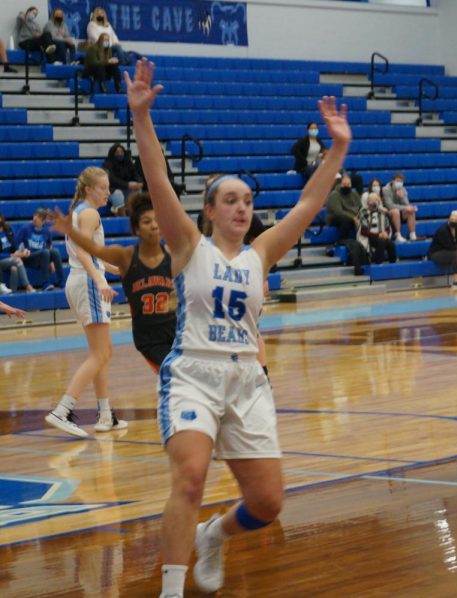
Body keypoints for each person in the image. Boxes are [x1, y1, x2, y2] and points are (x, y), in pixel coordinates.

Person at [126, 59, 351, 598]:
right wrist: (141, 119)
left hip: (249, 379)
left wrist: (338, 148)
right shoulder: (187, 244)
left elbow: (308, 203)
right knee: (191, 476)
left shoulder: (260, 254)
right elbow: (158, 179)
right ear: (207, 210)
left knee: (267, 504)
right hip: (194, 373)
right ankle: (173, 590)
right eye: (230, 200)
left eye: (248, 201)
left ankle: (213, 534)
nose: (242, 208)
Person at [44, 167, 127, 439]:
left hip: (79, 281)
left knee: (103, 351)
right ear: (90, 189)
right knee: (100, 354)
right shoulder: (89, 213)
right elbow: (82, 251)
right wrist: (100, 280)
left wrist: (109, 269)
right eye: (103, 188)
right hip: (87, 282)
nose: (107, 193)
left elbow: (87, 250)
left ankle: (105, 415)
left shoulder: (79, 211)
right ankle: (62, 410)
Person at [51, 193, 175, 373]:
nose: (154, 225)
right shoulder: (125, 256)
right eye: (147, 222)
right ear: (137, 229)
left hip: (175, 332)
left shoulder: (172, 254)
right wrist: (71, 231)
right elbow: (94, 249)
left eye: (156, 220)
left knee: (185, 381)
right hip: (149, 338)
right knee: (175, 375)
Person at [14, 208, 65, 290]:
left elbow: (49, 246)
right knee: (45, 252)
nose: (35, 218)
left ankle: (61, 282)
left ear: (43, 221)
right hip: (29, 258)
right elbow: (15, 244)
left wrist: (51, 262)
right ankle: (45, 283)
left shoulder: (46, 231)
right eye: (35, 215)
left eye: (39, 217)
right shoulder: (25, 228)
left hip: (43, 257)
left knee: (55, 251)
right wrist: (21, 253)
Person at [356, 190, 396, 264]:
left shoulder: (382, 213)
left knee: (390, 243)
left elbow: (388, 228)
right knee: (381, 242)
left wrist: (386, 233)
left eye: (376, 200)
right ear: (368, 202)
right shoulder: (364, 212)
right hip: (368, 237)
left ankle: (393, 263)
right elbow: (363, 231)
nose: (374, 202)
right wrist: (378, 235)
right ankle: (377, 263)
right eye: (372, 200)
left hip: (381, 236)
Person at [103, 143, 144, 215]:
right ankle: (121, 217)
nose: (120, 154)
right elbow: (112, 180)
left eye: (121, 152)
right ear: (113, 153)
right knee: (118, 194)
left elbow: (135, 174)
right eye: (117, 152)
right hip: (111, 190)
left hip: (126, 188)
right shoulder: (107, 164)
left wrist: (139, 183)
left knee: (137, 190)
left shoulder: (128, 162)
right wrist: (127, 185)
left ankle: (135, 215)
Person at [0, 212, 35, 293]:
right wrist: (11, 255)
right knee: (17, 260)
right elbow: (12, 254)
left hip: (9, 259)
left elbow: (14, 247)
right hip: (2, 260)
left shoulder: (7, 230)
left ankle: (13, 293)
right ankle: (28, 286)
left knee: (14, 268)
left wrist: (22, 252)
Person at [427, 210, 457, 286]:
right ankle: (456, 280)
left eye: (455, 220)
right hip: (437, 253)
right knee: (456, 255)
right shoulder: (443, 230)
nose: (452, 221)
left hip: (449, 252)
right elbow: (449, 246)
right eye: (451, 219)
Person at [382, 172, 417, 242]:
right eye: (397, 181)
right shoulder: (385, 189)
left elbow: (407, 204)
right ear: (393, 181)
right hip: (388, 212)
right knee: (396, 211)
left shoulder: (403, 189)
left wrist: (402, 197)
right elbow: (389, 205)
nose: (399, 183)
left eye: (401, 181)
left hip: (400, 212)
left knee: (410, 211)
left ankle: (412, 234)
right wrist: (404, 208)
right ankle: (398, 235)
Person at [325, 174, 361, 240]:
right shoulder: (334, 195)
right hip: (335, 218)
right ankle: (343, 241)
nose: (346, 186)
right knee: (345, 219)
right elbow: (338, 212)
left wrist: (359, 216)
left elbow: (360, 207)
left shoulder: (354, 194)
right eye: (344, 184)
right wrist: (353, 217)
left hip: (354, 217)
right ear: (340, 184)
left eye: (348, 184)